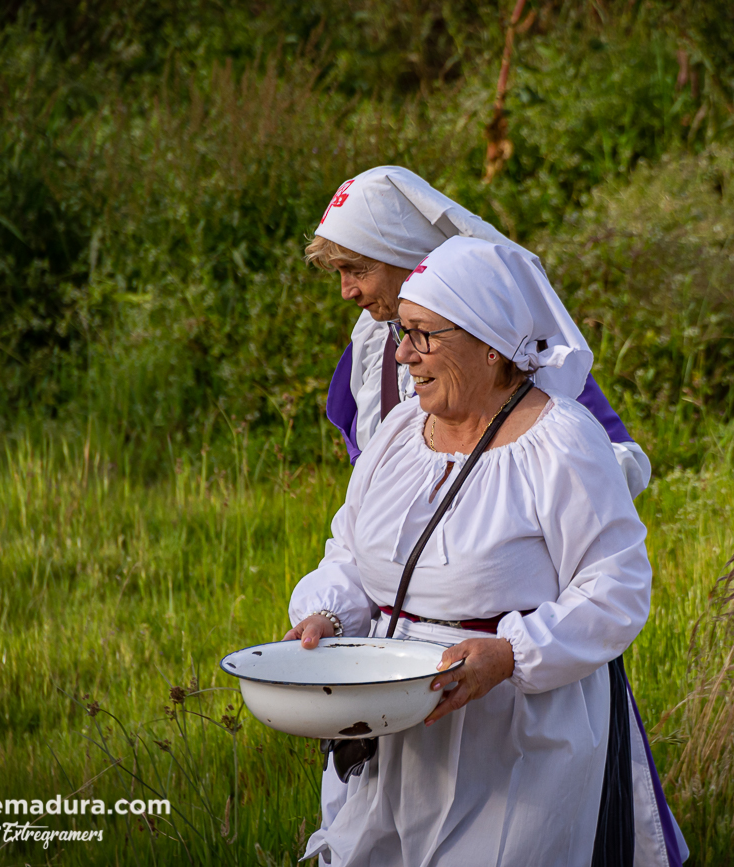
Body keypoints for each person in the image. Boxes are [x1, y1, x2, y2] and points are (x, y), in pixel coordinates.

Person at [284, 236, 688, 866]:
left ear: (490, 343)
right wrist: (328, 615)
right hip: (389, 726)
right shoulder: (399, 433)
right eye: (402, 332)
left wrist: (510, 654)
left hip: (511, 743)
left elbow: (617, 589)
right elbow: (351, 551)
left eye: (422, 334)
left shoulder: (561, 443)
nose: (403, 353)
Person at [307, 165, 651, 498]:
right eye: (339, 273)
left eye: (358, 270)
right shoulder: (373, 340)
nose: (347, 291)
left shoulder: (506, 338)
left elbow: (615, 466)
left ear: (403, 251)